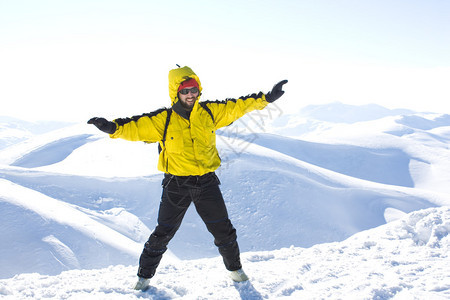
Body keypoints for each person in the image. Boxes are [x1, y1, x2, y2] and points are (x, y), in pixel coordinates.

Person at [88, 65, 287, 290]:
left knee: (223, 230)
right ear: (176, 93)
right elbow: (135, 126)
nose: (191, 94)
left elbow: (239, 106)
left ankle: (235, 271)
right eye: (185, 91)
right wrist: (112, 127)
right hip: (176, 185)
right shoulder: (162, 119)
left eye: (194, 89)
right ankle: (143, 278)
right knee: (163, 233)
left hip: (207, 182)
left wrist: (267, 98)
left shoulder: (210, 112)